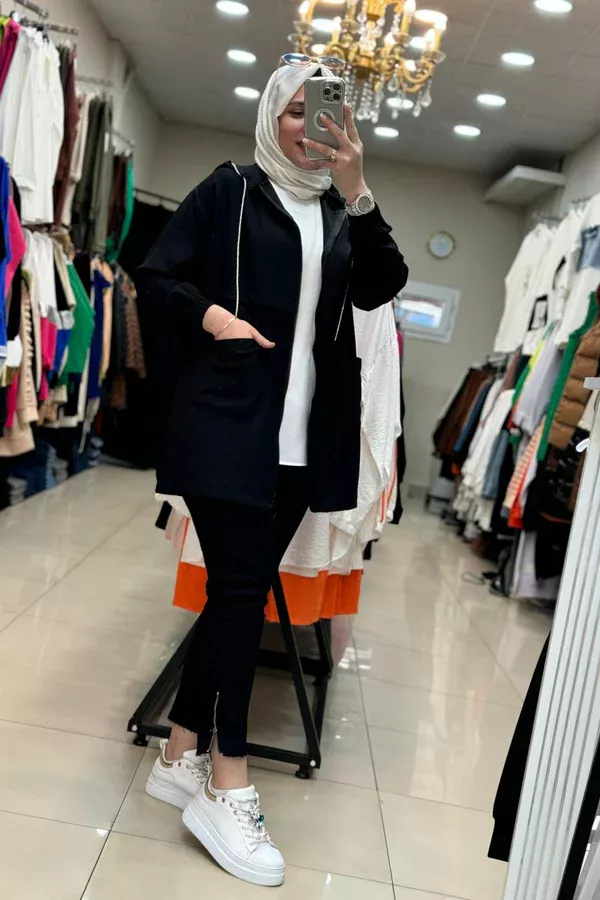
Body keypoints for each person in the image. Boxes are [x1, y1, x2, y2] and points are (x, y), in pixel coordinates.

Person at [136, 60, 408, 888]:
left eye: (322, 113)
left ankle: (179, 755)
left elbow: (384, 286)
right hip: (227, 426)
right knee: (239, 597)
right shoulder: (231, 190)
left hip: (303, 444)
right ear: (270, 116)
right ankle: (228, 783)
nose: (308, 126)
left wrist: (358, 190)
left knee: (237, 594)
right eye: (294, 110)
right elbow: (157, 274)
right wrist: (213, 316)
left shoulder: (338, 211)